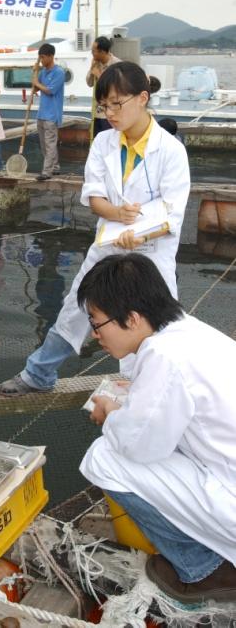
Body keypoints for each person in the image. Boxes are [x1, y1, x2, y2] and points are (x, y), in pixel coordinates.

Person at [0, 61, 190, 396]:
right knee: (76, 307)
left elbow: (172, 213)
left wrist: (141, 233)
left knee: (150, 322)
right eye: (104, 105)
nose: (110, 113)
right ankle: (38, 374)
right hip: (110, 243)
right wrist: (116, 212)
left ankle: (149, 389)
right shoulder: (103, 142)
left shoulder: (171, 151)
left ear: (142, 98)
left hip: (150, 254)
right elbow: (94, 197)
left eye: (117, 103)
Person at [77, 253, 236, 605]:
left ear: (131, 319)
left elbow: (137, 446)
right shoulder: (191, 331)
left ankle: (203, 569)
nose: (94, 334)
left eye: (97, 322)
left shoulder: (165, 356)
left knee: (104, 457)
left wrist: (110, 414)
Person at [33, 43, 65, 181]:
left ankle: (46, 172)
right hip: (41, 113)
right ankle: (55, 166)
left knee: (50, 143)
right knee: (44, 144)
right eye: (40, 58)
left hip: (52, 114)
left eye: (43, 57)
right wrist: (34, 74)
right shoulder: (42, 72)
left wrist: (37, 82)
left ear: (51, 56)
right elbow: (35, 89)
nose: (41, 60)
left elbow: (50, 91)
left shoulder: (59, 72)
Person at [86, 36, 121, 137]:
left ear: (102, 52)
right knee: (97, 141)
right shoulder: (96, 64)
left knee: (110, 142)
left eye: (94, 51)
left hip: (110, 114)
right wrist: (92, 69)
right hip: (96, 112)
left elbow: (115, 89)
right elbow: (89, 83)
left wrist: (99, 75)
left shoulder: (117, 65)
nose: (92, 54)